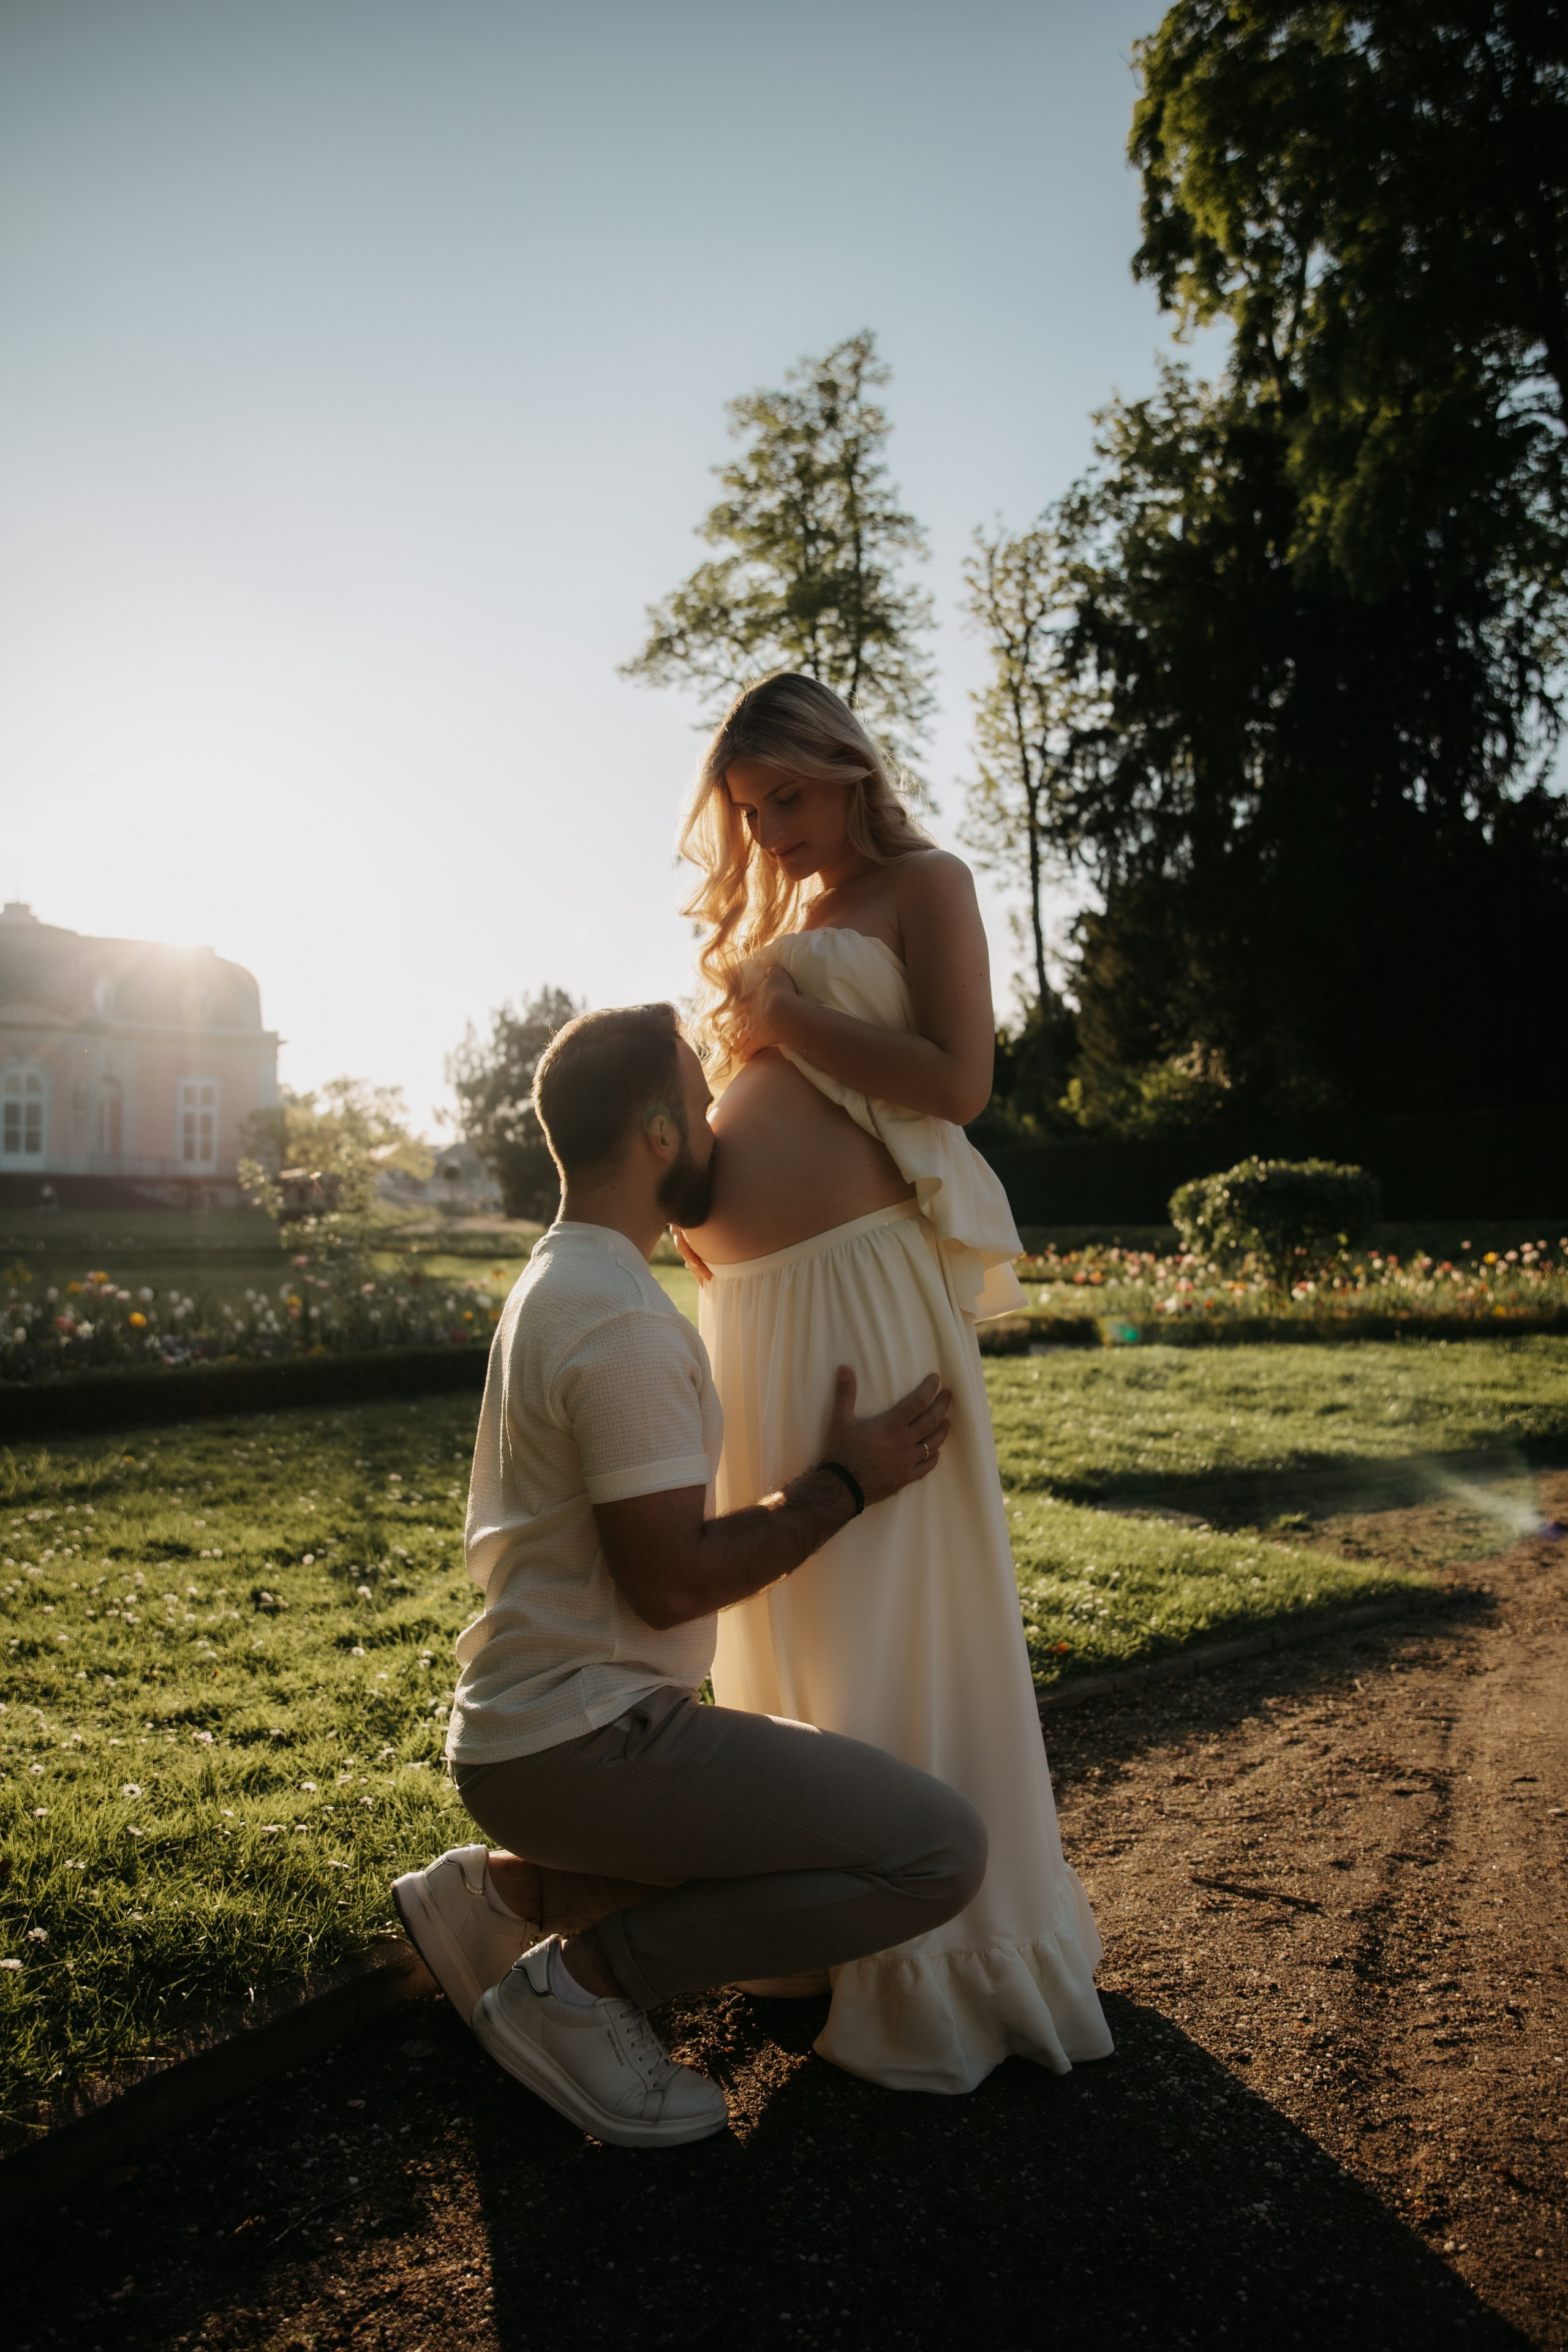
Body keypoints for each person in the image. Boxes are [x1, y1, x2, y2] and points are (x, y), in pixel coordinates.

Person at [391, 1001, 985, 2150]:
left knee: (808, 1914)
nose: (722, 1126)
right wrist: (844, 1485)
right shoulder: (619, 1322)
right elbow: (668, 1583)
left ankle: (502, 1900)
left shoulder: (557, 1278)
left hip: (538, 1735)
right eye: (706, 1104)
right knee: (936, 1853)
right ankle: (585, 1987)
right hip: (590, 1742)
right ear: (661, 1134)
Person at [674, 672, 1114, 2095]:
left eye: (787, 798)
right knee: (793, 1608)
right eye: (749, 813)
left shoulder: (926, 882)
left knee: (883, 1599)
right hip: (757, 1312)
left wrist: (783, 1025)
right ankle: (811, 1921)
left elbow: (957, 1082)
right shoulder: (779, 921)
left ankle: (933, 1949)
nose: (775, 831)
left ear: (846, 770)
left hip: (863, 1301)